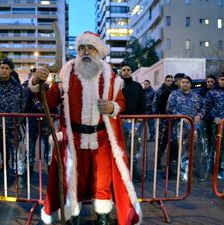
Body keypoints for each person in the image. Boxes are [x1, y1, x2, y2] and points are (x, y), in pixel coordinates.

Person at [29, 31, 141, 225]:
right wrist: (36, 83)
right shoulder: (66, 73)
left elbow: (121, 101)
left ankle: (103, 214)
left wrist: (112, 107)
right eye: (82, 48)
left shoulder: (110, 75)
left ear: (98, 51)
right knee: (74, 177)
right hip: (74, 138)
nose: (86, 52)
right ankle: (72, 214)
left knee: (102, 178)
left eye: (90, 48)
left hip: (103, 137)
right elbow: (50, 99)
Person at [167, 75, 204, 181]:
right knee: (177, 149)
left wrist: (199, 115)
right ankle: (175, 172)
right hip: (178, 125)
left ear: (190, 84)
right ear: (179, 83)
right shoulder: (174, 94)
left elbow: (203, 107)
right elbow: (169, 108)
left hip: (193, 126)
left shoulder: (196, 96)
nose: (185, 84)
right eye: (183, 82)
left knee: (192, 148)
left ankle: (189, 170)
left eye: (187, 82)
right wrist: (181, 117)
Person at [120, 64, 146, 182]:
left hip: (136, 122)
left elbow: (143, 102)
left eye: (128, 70)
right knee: (121, 147)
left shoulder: (137, 86)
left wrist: (140, 116)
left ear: (131, 71)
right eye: (124, 70)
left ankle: (134, 171)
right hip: (120, 121)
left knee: (134, 147)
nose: (126, 72)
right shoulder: (117, 86)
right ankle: (122, 172)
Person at [152, 75, 174, 168]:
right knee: (161, 142)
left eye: (170, 80)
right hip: (162, 119)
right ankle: (158, 160)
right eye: (167, 80)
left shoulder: (174, 91)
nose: (169, 82)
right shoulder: (159, 91)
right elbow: (154, 104)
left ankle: (171, 163)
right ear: (165, 81)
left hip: (172, 119)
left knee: (172, 141)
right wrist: (158, 116)